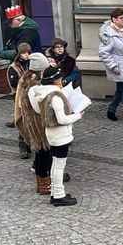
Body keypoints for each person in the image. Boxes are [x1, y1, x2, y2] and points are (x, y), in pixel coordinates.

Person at [29, 66, 84, 207]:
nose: (61, 80)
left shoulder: (42, 94)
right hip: (60, 134)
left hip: (50, 133)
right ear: (54, 81)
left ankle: (55, 191)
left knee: (55, 163)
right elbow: (62, 120)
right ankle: (59, 195)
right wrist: (78, 115)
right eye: (59, 78)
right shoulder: (55, 96)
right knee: (59, 165)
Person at [17, 53, 53, 194]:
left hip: (32, 120)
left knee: (40, 151)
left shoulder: (28, 79)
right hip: (36, 121)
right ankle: (44, 182)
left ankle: (42, 181)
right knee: (43, 151)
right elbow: (38, 104)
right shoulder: (34, 83)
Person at [7, 42, 33, 158]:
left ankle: (29, 144)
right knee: (22, 120)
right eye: (23, 53)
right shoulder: (14, 67)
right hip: (19, 96)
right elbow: (14, 82)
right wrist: (27, 80)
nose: (26, 55)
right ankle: (22, 145)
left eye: (28, 52)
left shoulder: (31, 64)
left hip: (31, 95)